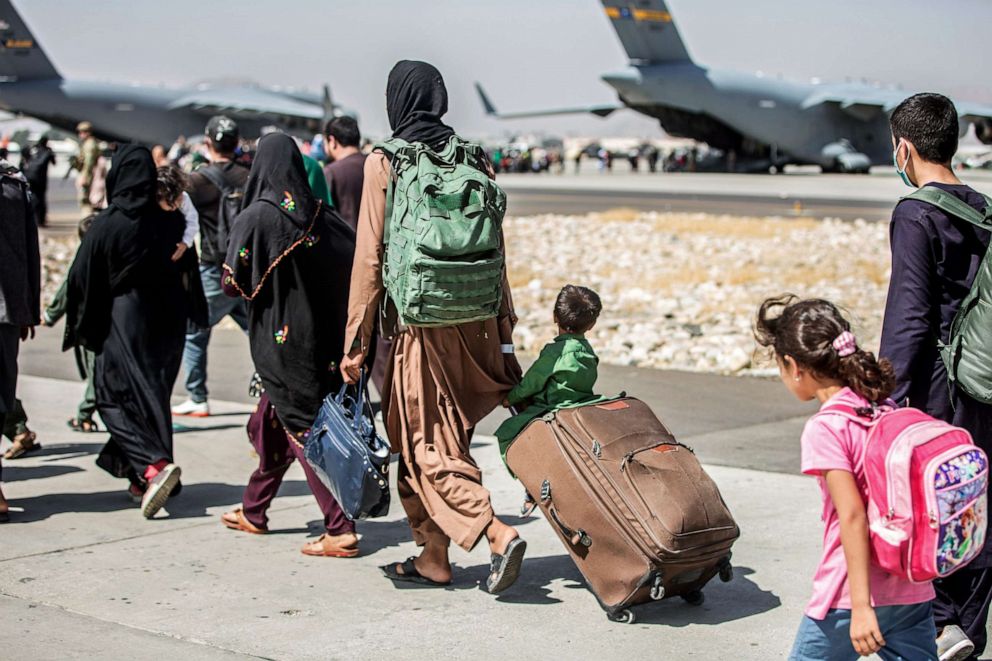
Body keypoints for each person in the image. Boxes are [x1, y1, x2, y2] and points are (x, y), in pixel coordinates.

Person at [340, 60, 526, 592]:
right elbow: (498, 252)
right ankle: (432, 556)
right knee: (446, 438)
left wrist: (355, 342)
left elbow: (368, 260)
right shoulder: (474, 157)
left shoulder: (387, 162)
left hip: (421, 327)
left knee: (424, 443)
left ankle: (494, 531)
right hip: (479, 324)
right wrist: (506, 330)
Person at [754, 296, 938, 660]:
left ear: (793, 366)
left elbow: (852, 516)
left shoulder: (827, 427)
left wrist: (861, 607)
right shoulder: (883, 409)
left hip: (849, 596)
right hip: (912, 588)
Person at [879, 92, 992, 661]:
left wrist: (887, 400)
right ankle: (970, 625)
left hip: (938, 389)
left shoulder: (916, 212)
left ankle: (943, 627)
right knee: (976, 503)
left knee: (933, 504)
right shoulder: (983, 208)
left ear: (905, 147)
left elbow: (910, 315)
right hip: (985, 384)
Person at [218, 133, 359, 558]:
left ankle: (339, 528)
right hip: (324, 341)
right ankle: (253, 509)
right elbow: (353, 260)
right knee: (271, 424)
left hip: (281, 346)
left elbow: (230, 283)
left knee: (301, 428)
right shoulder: (321, 214)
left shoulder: (257, 217)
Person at [65, 145, 205, 519]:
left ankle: (153, 467)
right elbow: (187, 259)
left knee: (111, 397)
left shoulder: (112, 222)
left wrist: (82, 322)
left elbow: (82, 277)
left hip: (126, 319)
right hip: (170, 321)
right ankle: (140, 479)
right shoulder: (168, 219)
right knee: (151, 396)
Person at [172, 116, 250, 417]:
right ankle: (272, 391)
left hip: (213, 268)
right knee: (257, 332)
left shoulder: (197, 180)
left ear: (208, 143)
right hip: (246, 268)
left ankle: (197, 395)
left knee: (196, 331)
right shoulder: (250, 176)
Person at [495, 285, 603, 462]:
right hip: (581, 405)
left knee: (508, 434)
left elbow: (531, 383)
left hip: (551, 408)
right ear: (592, 325)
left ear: (554, 317)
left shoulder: (555, 352)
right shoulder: (588, 351)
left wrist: (509, 399)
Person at [0, 157, 40, 523]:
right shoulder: (15, 186)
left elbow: (30, 249)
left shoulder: (16, 186)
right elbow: (31, 250)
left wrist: (30, 305)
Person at [41, 214, 100, 433]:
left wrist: (50, 316)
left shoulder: (84, 258)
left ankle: (85, 413)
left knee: (96, 372)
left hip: (90, 324)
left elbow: (67, 288)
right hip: (110, 324)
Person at [322, 116, 366, 231]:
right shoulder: (377, 165)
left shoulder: (331, 172)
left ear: (332, 141)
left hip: (346, 243)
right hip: (380, 244)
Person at [23, 136, 56, 226]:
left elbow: (25, 155)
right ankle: (40, 220)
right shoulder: (48, 151)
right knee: (40, 199)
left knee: (31, 197)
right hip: (40, 179)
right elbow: (54, 163)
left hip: (29, 176)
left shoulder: (34, 149)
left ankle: (32, 218)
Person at [74, 121, 101, 217]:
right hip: (87, 174)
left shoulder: (90, 145)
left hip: (87, 175)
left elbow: (89, 163)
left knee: (84, 200)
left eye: (83, 132)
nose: (80, 134)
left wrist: (84, 177)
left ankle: (86, 222)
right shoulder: (89, 143)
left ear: (88, 132)